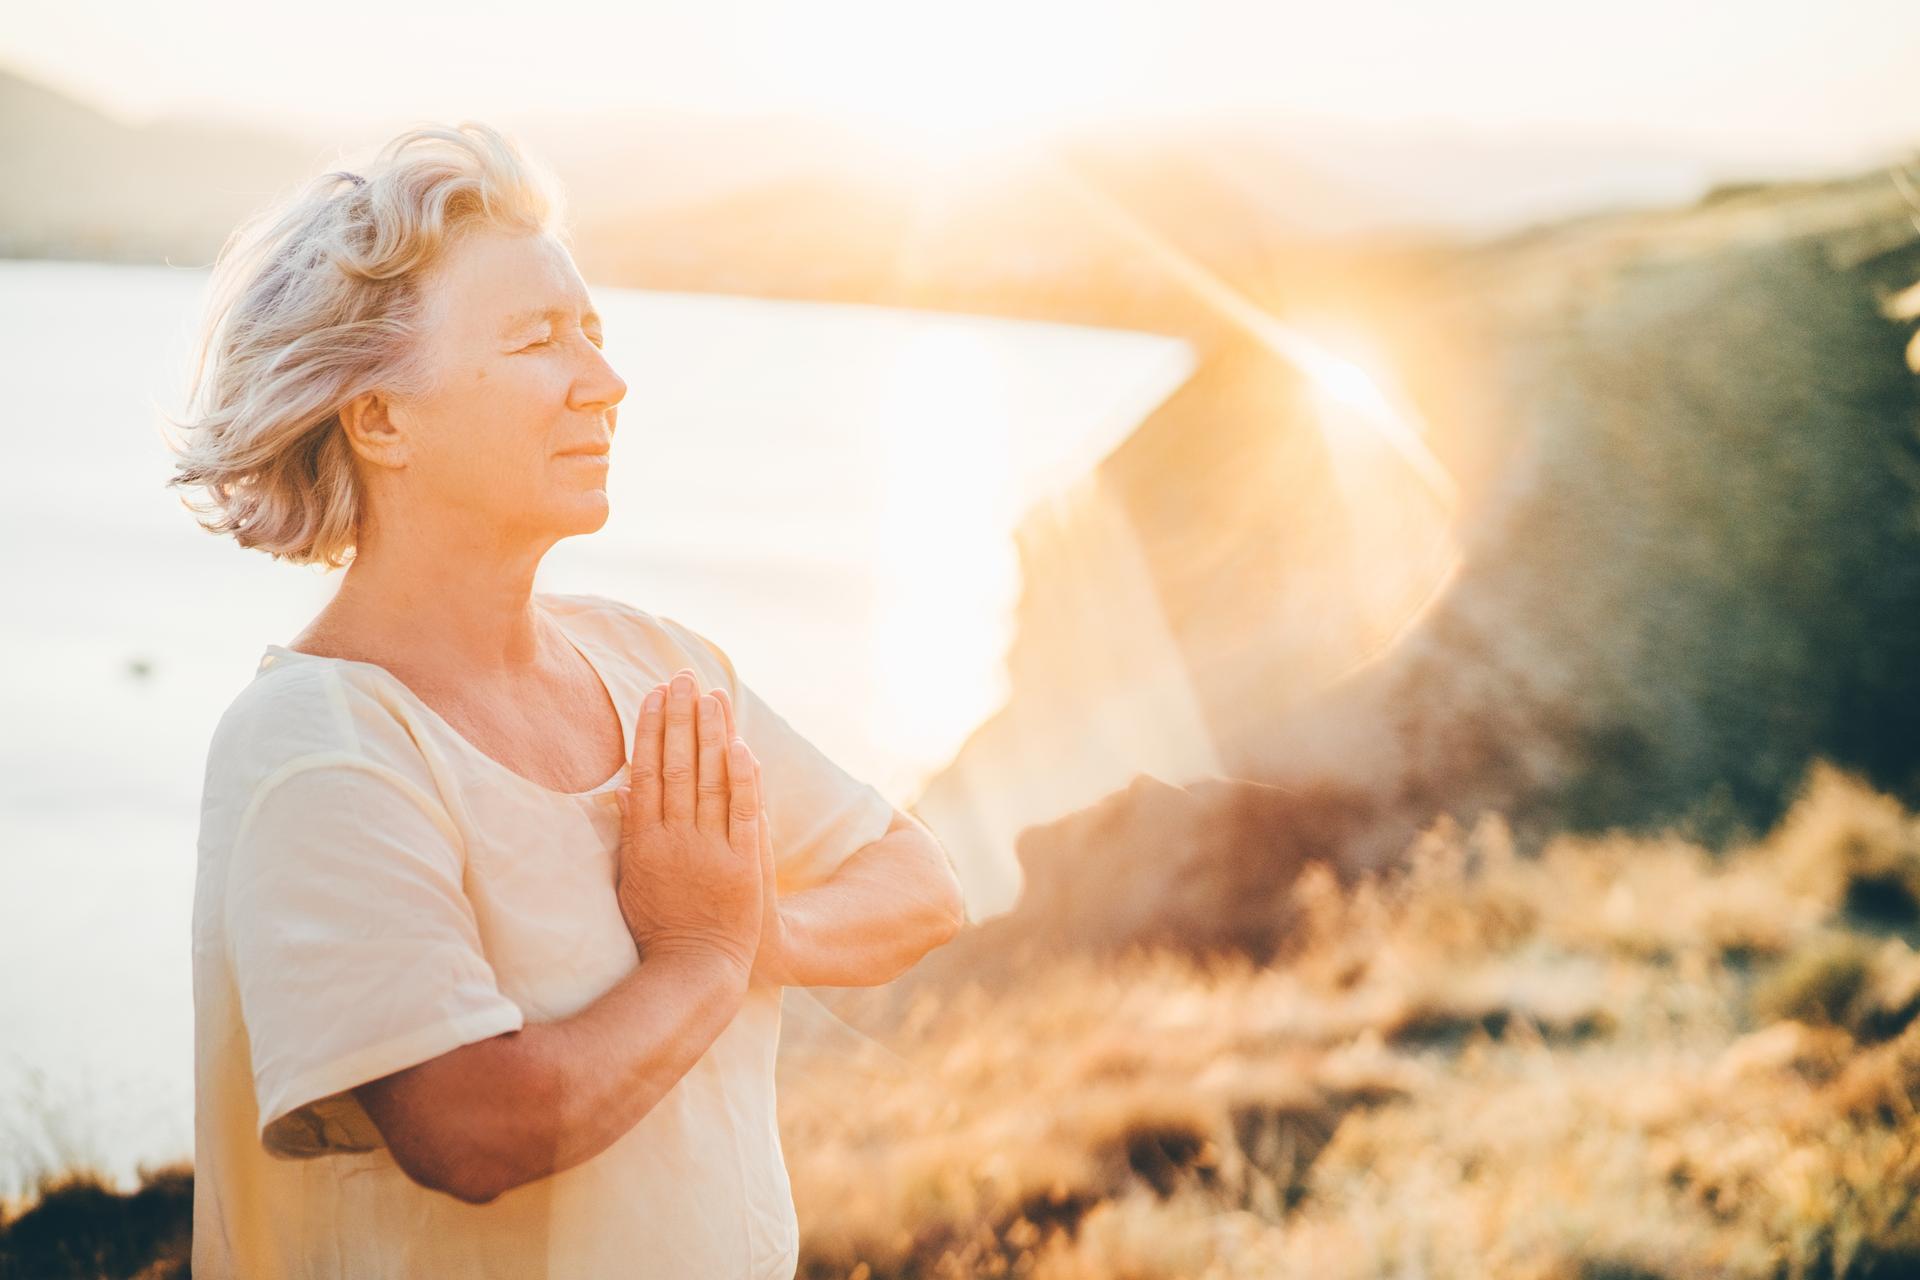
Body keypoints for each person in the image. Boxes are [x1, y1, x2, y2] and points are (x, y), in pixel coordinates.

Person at [163, 120, 967, 1279]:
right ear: (379, 417)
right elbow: (475, 1127)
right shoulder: (319, 748)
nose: (607, 380)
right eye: (540, 340)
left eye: (593, 331)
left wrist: (752, 932)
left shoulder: (654, 663)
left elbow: (918, 883)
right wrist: (693, 956)